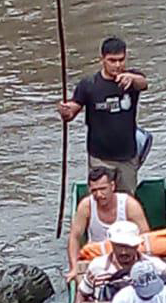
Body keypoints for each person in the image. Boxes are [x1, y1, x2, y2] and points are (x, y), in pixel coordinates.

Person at [57, 36, 148, 195]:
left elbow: (143, 83)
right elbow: (73, 111)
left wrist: (132, 78)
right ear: (102, 60)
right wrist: (66, 111)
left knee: (126, 199)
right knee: (101, 197)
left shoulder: (131, 81)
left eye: (121, 60)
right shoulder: (89, 85)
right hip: (100, 158)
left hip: (127, 157)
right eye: (112, 61)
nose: (117, 65)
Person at [66, 167, 149, 282]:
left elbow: (145, 237)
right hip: (96, 257)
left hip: (126, 256)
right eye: (94, 190)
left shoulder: (129, 205)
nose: (99, 195)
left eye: (103, 189)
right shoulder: (86, 206)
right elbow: (74, 237)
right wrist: (74, 268)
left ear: (112, 186)